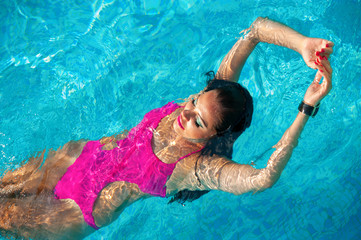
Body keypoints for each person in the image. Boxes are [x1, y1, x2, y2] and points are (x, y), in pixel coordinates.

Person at [0, 17, 333, 240]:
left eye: (198, 121)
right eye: (193, 102)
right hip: (79, 157)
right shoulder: (206, 101)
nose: (186, 114)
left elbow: (262, 178)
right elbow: (257, 29)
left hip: (79, 209)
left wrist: (306, 107)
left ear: (215, 137)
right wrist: (303, 43)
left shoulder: (199, 168)